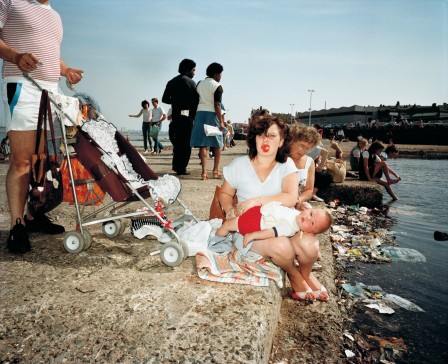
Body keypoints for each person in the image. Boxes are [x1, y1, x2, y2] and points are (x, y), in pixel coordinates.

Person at [1, 0, 84, 254]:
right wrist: (16, 56)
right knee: (22, 160)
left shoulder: (55, 16)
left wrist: (66, 69)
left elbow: (50, 54)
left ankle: (33, 215)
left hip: (51, 91)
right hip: (22, 85)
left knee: (44, 159)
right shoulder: (10, 2)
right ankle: (17, 226)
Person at [219, 115, 329, 302]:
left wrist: (257, 201)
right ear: (253, 138)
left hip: (283, 224)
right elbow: (225, 194)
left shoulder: (286, 165)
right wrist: (229, 208)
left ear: (282, 141)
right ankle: (294, 275)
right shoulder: (239, 165)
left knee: (311, 247)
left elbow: (290, 197)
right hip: (250, 228)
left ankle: (306, 273)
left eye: (271, 135)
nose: (265, 139)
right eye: (260, 134)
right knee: (283, 248)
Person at [216, 202, 332, 247]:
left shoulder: (289, 227)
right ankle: (222, 234)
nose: (307, 218)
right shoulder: (298, 214)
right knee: (233, 218)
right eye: (311, 213)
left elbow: (270, 233)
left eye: (312, 223)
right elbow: (306, 209)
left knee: (227, 225)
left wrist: (253, 235)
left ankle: (215, 240)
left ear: (309, 232)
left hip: (255, 222)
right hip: (259, 212)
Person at [162, 58, 199, 176]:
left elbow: (165, 99)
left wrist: (176, 101)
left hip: (176, 115)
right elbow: (196, 101)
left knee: (177, 142)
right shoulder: (192, 83)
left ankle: (176, 166)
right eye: (193, 70)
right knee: (186, 143)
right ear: (188, 70)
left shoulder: (171, 81)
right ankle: (182, 167)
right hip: (187, 116)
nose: (194, 72)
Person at [190, 62, 224, 180]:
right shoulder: (217, 86)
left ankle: (204, 173)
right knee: (217, 144)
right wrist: (221, 121)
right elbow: (217, 105)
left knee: (202, 144)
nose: (221, 77)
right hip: (212, 115)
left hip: (200, 114)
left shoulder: (199, 84)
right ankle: (215, 171)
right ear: (216, 74)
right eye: (220, 74)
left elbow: (195, 101)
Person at [289, 124, 321, 205]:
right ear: (292, 141)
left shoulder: (309, 163)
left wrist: (298, 200)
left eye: (308, 148)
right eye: (302, 146)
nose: (303, 151)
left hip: (297, 204)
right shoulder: (280, 158)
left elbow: (309, 190)